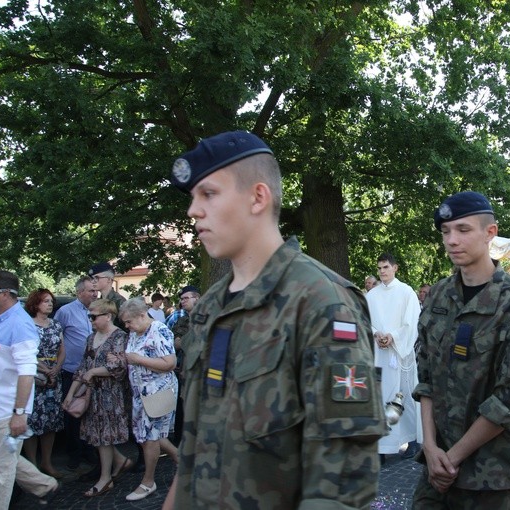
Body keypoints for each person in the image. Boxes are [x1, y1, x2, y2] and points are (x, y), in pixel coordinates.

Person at [163, 130, 384, 509]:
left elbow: (340, 485)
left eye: (209, 194)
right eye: (193, 197)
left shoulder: (321, 302)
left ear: (258, 197)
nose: (193, 211)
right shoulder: (209, 308)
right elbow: (194, 449)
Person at [412, 191, 510, 508]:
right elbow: (426, 376)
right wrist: (430, 447)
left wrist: (452, 457)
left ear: (490, 233)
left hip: (491, 475)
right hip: (437, 466)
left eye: (463, 229)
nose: (452, 240)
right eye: (446, 232)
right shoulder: (439, 296)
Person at [0, 271, 59, 508]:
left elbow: (27, 373)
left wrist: (20, 413)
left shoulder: (21, 326)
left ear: (5, 294)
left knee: (1, 471)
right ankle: (43, 485)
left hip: (8, 409)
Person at [62, 298, 132, 497]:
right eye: (89, 316)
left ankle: (105, 479)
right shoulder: (91, 338)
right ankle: (120, 462)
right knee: (97, 436)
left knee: (103, 437)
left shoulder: (120, 336)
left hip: (111, 395)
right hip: (93, 395)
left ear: (108, 316)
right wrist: (70, 394)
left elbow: (119, 367)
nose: (90, 319)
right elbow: (83, 367)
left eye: (93, 316)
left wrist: (94, 373)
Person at [116, 298, 179, 501]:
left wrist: (138, 359)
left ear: (142, 315)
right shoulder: (136, 333)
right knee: (147, 434)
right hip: (141, 393)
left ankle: (148, 482)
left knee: (150, 436)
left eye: (128, 321)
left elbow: (169, 363)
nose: (126, 326)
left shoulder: (158, 330)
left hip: (158, 391)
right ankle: (182, 460)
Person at [366, 253, 422, 460]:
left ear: (395, 268)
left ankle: (413, 440)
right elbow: (365, 320)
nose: (382, 271)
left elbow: (412, 322)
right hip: (379, 355)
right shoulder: (371, 296)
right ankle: (381, 447)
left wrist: (393, 337)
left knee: (404, 396)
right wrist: (376, 333)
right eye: (379, 268)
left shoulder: (406, 292)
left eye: (386, 267)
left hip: (400, 354)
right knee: (380, 398)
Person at [54, 276, 97, 469]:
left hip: (93, 371)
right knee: (72, 412)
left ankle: (89, 450)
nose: (94, 294)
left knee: (90, 412)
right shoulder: (65, 312)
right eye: (90, 291)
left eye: (95, 290)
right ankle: (74, 453)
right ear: (79, 292)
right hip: (71, 371)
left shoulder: (98, 310)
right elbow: (56, 338)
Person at [23, 288, 65, 479]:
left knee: (50, 422)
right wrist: (44, 369)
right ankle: (32, 464)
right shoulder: (27, 325)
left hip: (54, 378)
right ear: (35, 303)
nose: (50, 303)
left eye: (51, 300)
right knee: (32, 422)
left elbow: (62, 349)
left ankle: (47, 462)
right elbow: (26, 352)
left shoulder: (55, 325)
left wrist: (56, 368)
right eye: (45, 301)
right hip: (34, 377)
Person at [170, 285, 200, 445]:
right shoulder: (182, 320)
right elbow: (175, 343)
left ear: (197, 298)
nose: (182, 302)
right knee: (183, 407)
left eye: (186, 298)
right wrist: (189, 341)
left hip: (201, 370)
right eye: (181, 299)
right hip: (183, 371)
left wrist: (185, 341)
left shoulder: (206, 317)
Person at [89, 262, 126, 329]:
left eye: (97, 278)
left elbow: (127, 327)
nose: (93, 281)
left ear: (109, 280)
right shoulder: (98, 301)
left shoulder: (119, 301)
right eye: (92, 278)